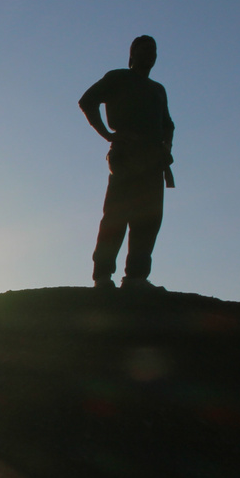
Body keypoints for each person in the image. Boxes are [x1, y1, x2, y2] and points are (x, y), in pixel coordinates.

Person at [78, 35, 174, 291]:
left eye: (153, 49)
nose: (149, 53)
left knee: (149, 219)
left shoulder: (158, 90)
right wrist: (107, 134)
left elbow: (168, 125)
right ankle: (102, 276)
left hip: (153, 161)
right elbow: (87, 101)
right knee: (117, 215)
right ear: (131, 55)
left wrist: (166, 148)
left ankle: (136, 278)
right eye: (143, 48)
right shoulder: (118, 77)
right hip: (126, 154)